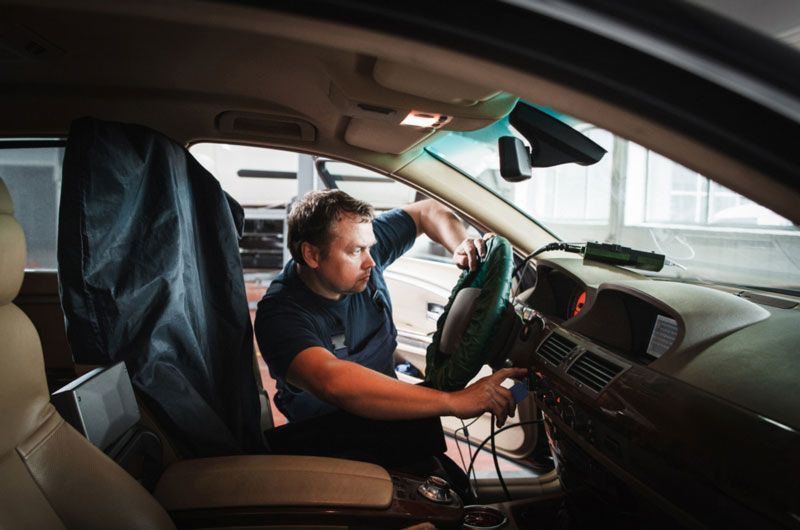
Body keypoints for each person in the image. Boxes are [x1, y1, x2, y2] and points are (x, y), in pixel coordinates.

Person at [254, 190, 525, 473]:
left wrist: (460, 247)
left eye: (369, 247)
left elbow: (427, 211)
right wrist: (453, 402)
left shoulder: (364, 252)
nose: (371, 260)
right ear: (311, 254)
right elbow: (333, 382)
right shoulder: (281, 315)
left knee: (452, 480)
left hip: (383, 422)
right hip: (331, 446)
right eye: (356, 251)